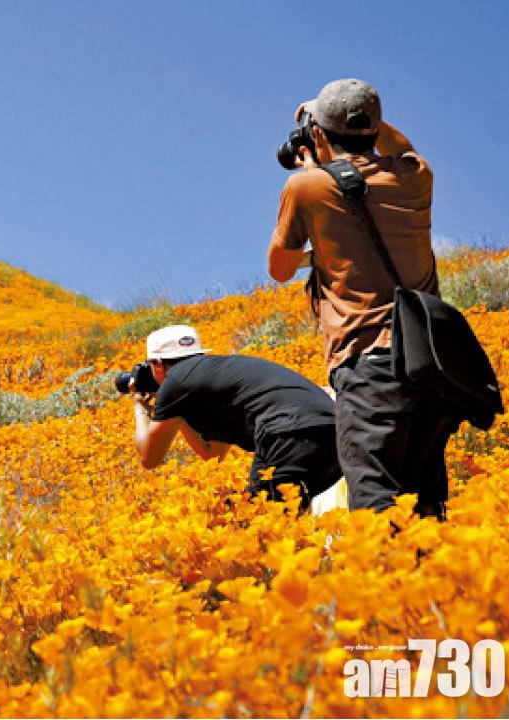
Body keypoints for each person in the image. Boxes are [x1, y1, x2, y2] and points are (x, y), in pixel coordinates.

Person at [267, 78, 456, 519]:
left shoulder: (307, 188)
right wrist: (357, 119)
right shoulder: (416, 177)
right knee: (427, 506)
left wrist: (311, 172)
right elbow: (402, 147)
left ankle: (386, 569)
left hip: (369, 361)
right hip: (430, 363)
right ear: (375, 126)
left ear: (317, 134)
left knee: (375, 501)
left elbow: (279, 268)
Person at [127, 325, 342, 509]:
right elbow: (212, 455)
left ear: (158, 365)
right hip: (336, 432)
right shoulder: (218, 374)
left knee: (260, 522)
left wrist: (139, 405)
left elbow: (149, 458)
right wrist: (177, 412)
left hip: (287, 433)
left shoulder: (176, 379)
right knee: (288, 520)